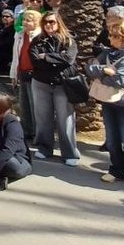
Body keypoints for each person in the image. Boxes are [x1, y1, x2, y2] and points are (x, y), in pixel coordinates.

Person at [84, 21, 124, 188]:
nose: (109, 38)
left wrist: (101, 76)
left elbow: (120, 80)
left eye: (113, 35)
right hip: (109, 101)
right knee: (112, 140)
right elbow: (89, 68)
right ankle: (116, 169)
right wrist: (104, 70)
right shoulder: (108, 53)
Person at [28, 12, 81, 165]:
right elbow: (35, 60)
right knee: (43, 118)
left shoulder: (68, 40)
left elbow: (68, 59)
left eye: (52, 22)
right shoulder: (37, 40)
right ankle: (44, 148)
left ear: (58, 23)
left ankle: (70, 153)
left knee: (66, 120)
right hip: (41, 83)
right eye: (45, 22)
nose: (48, 25)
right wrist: (57, 59)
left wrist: (46, 57)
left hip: (62, 84)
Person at [9, 10, 41, 139]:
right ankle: (26, 131)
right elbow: (15, 56)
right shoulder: (20, 35)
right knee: (24, 104)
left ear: (37, 22)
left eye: (29, 20)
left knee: (35, 106)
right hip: (22, 72)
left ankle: (37, 134)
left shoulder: (39, 36)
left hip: (35, 74)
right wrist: (14, 75)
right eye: (24, 20)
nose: (25, 22)